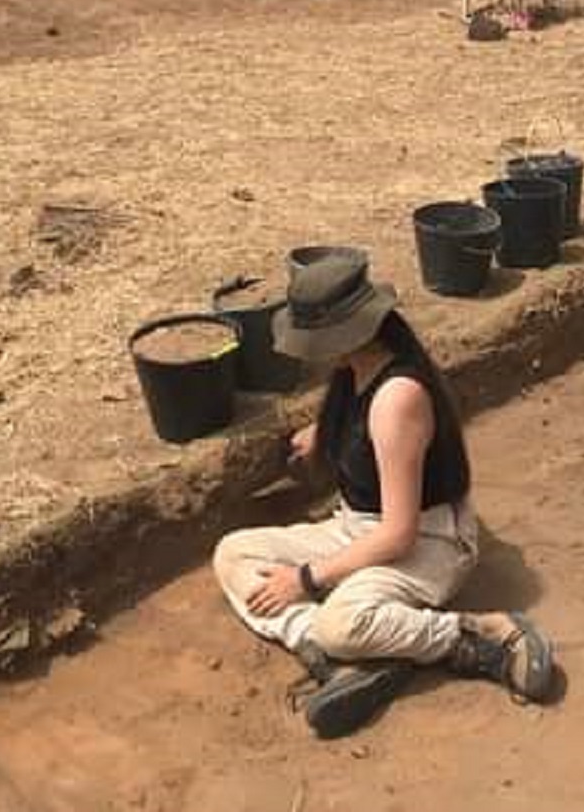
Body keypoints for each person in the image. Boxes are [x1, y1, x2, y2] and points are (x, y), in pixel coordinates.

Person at [212, 252, 557, 738]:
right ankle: (345, 660)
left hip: (429, 544)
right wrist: (326, 432)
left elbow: (399, 535)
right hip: (358, 525)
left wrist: (305, 580)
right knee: (233, 553)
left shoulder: (398, 399)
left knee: (341, 623)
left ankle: (480, 635)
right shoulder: (358, 368)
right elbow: (364, 432)